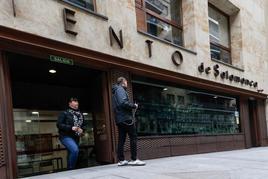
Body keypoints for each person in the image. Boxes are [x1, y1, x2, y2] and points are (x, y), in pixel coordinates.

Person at [112, 77, 146, 166]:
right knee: (133, 137)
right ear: (123, 82)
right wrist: (133, 105)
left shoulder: (116, 91)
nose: (127, 84)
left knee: (121, 139)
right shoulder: (120, 90)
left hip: (120, 119)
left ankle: (121, 160)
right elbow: (123, 103)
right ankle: (134, 159)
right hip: (126, 118)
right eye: (126, 82)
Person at [57, 97, 85, 169]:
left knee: (71, 153)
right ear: (70, 104)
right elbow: (59, 124)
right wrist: (71, 127)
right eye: (74, 101)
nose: (76, 103)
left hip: (76, 137)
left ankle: (69, 171)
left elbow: (83, 126)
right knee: (75, 150)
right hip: (65, 136)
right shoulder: (65, 113)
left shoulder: (80, 115)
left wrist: (82, 130)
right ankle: (71, 169)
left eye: (77, 101)